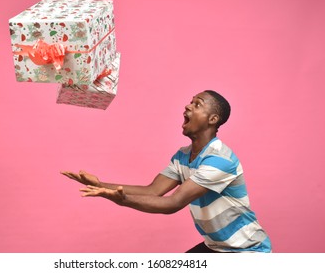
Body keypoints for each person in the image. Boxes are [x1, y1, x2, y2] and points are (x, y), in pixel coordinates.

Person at [61, 90, 272, 253]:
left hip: (247, 250)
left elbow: (172, 203)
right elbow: (153, 191)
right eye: (190, 101)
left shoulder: (219, 160)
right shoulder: (183, 156)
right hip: (217, 247)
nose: (188, 106)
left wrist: (121, 199)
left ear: (213, 119)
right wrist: (99, 185)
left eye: (197, 104)